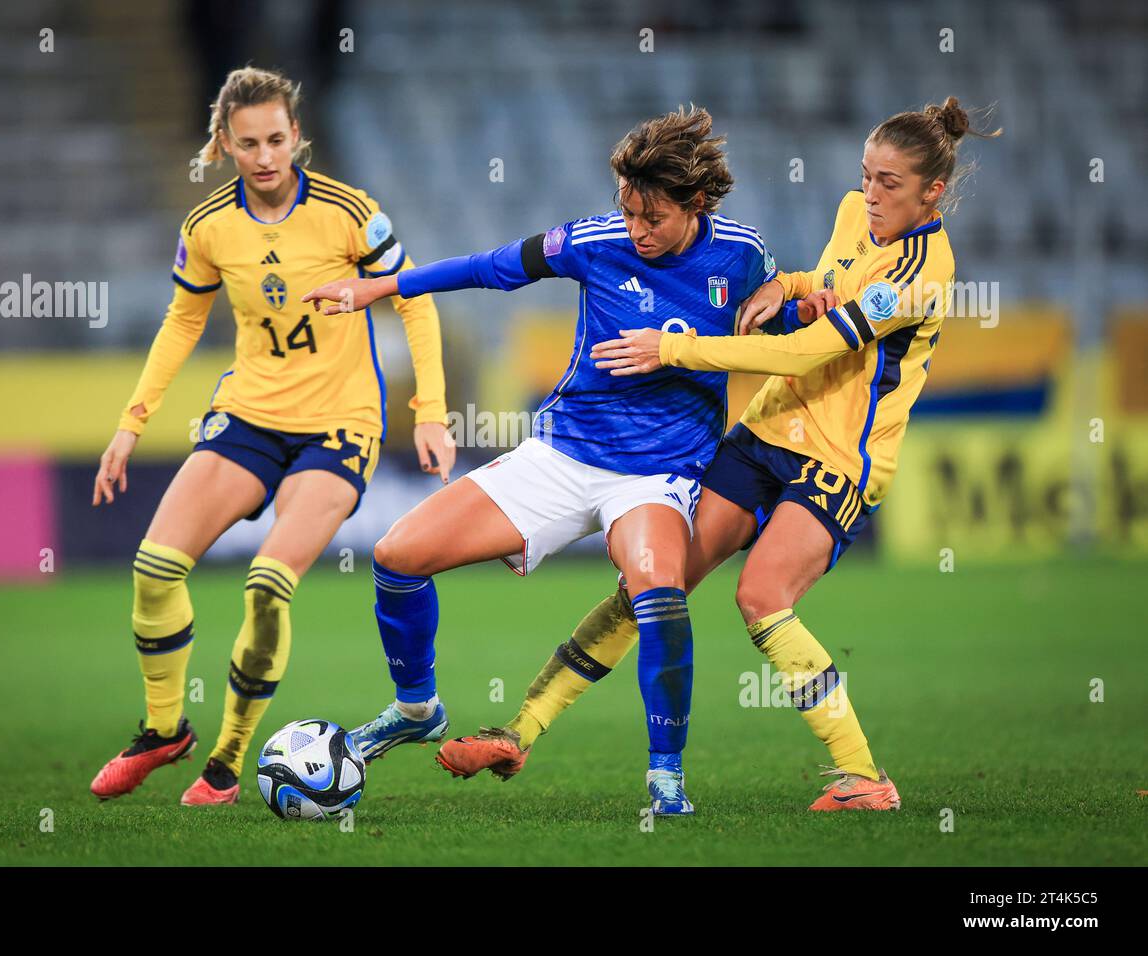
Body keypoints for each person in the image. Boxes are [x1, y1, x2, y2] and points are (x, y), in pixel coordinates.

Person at [441, 97, 997, 813]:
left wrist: (673, 348)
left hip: (838, 461)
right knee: (653, 589)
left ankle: (865, 778)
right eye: (866, 175)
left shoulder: (924, 269)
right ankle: (520, 731)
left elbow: (803, 351)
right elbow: (822, 289)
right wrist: (785, 285)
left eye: (890, 184)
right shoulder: (852, 216)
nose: (871, 195)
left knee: (762, 597)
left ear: (933, 192)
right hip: (765, 433)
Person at [306, 106, 783, 814]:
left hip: (661, 473)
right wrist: (379, 287)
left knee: (658, 589)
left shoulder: (740, 255)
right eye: (628, 212)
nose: (636, 230)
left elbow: (802, 300)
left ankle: (665, 778)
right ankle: (415, 710)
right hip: (562, 455)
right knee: (396, 554)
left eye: (652, 217)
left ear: (697, 204)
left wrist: (787, 288)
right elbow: (491, 268)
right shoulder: (595, 240)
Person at [87, 66, 454, 806]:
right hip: (248, 417)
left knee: (266, 585)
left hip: (339, 425)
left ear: (298, 138)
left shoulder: (351, 213)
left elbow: (413, 301)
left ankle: (226, 760)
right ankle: (164, 731)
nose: (264, 156)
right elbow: (183, 319)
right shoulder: (208, 227)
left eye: (277, 140)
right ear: (224, 143)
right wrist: (130, 425)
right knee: (155, 569)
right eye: (248, 142)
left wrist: (433, 410)